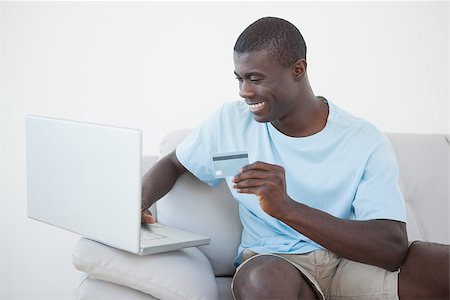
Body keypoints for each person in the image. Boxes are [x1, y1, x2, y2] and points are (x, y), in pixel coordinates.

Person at [141, 17, 449, 299]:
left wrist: (286, 208)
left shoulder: (362, 139)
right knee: (263, 281)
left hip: (351, 263)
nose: (244, 91)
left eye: (255, 78)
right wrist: (137, 203)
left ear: (298, 70)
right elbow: (173, 164)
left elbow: (391, 248)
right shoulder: (230, 123)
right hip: (277, 263)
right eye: (239, 78)